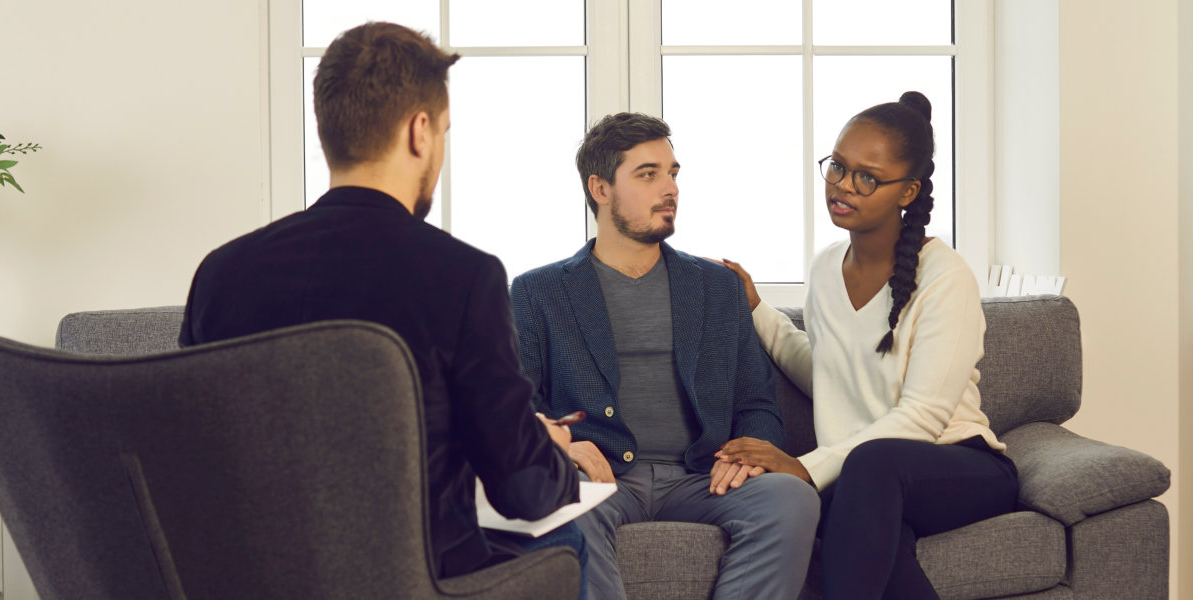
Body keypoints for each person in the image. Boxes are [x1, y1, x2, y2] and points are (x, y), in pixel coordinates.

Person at [178, 22, 583, 581]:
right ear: (419, 131)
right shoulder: (464, 276)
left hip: (252, 581)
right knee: (569, 537)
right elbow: (526, 491)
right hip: (416, 580)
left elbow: (192, 462)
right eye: (443, 132)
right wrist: (550, 450)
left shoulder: (220, 274)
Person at [713, 92, 1020, 600]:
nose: (842, 186)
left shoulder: (945, 277)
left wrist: (806, 466)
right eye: (837, 167)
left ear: (908, 191)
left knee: (867, 469)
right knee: (861, 524)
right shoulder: (824, 269)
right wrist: (757, 310)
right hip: (869, 479)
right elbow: (830, 375)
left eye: (867, 178)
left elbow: (921, 418)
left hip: (958, 465)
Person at [508, 112, 820, 600]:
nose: (669, 188)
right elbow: (514, 404)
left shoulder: (717, 288)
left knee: (792, 499)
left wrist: (749, 453)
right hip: (601, 476)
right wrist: (560, 446)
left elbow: (755, 402)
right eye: (647, 174)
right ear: (600, 188)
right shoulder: (537, 291)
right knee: (555, 503)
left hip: (702, 475)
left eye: (672, 173)